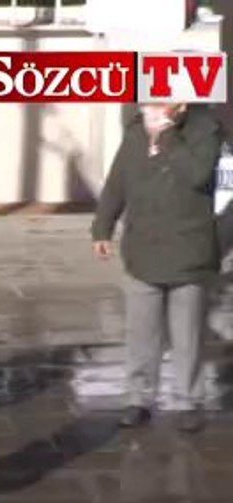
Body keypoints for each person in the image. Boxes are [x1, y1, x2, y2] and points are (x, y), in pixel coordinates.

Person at [92, 103, 222, 434]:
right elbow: (117, 183)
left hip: (188, 248)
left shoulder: (205, 130)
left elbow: (198, 175)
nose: (156, 104)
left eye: (167, 95)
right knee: (141, 333)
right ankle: (138, 398)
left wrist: (167, 139)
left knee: (187, 334)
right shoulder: (136, 133)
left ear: (183, 101)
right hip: (143, 247)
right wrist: (102, 228)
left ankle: (189, 400)